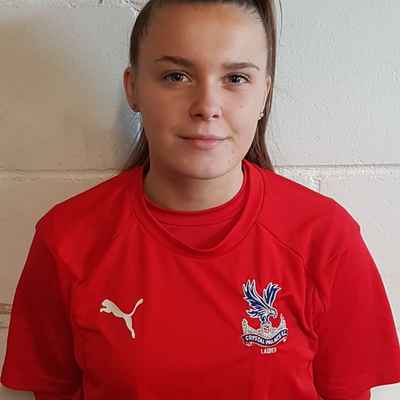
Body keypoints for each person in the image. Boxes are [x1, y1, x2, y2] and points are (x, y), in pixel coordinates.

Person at [1, 1, 400, 399]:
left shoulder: (325, 238)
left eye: (236, 78)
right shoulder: (66, 239)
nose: (207, 106)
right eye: (176, 76)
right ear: (133, 88)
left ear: (264, 94)